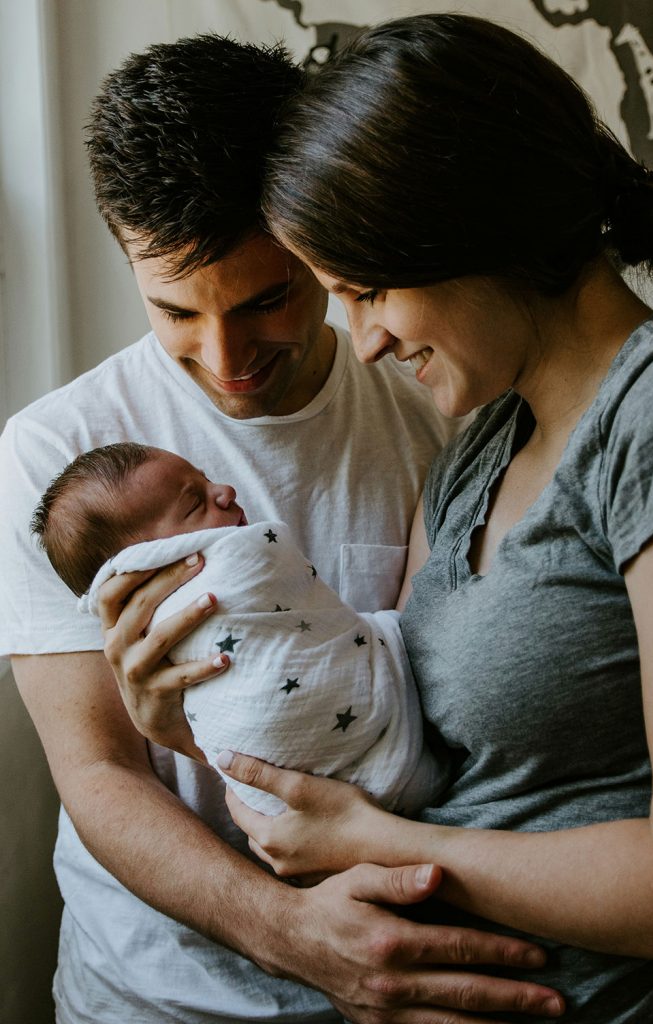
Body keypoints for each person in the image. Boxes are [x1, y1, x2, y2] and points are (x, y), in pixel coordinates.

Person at [0, 31, 567, 1024]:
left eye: (268, 299)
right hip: (147, 996)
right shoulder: (58, 460)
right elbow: (95, 772)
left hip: (399, 971)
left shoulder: (440, 406)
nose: (226, 359)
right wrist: (294, 935)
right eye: (177, 310)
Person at [201, 12, 653, 1023]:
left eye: (369, 290)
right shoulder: (477, 444)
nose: (365, 344)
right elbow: (418, 749)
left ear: (471, 226)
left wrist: (386, 849)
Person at [34, 441, 446, 816]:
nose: (225, 490)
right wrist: (165, 728)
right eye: (195, 502)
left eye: (206, 478)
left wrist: (177, 734)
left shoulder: (422, 428)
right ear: (150, 560)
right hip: (264, 838)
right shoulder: (41, 442)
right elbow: (97, 773)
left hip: (300, 811)